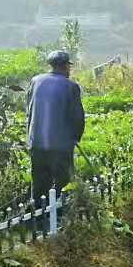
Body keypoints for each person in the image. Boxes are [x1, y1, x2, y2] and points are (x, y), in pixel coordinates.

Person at [25, 50, 86, 204]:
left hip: (36, 143)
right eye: (69, 67)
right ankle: (59, 221)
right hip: (61, 146)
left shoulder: (35, 81)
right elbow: (77, 118)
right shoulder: (71, 86)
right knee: (62, 186)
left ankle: (37, 221)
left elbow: (29, 110)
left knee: (39, 185)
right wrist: (75, 138)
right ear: (66, 66)